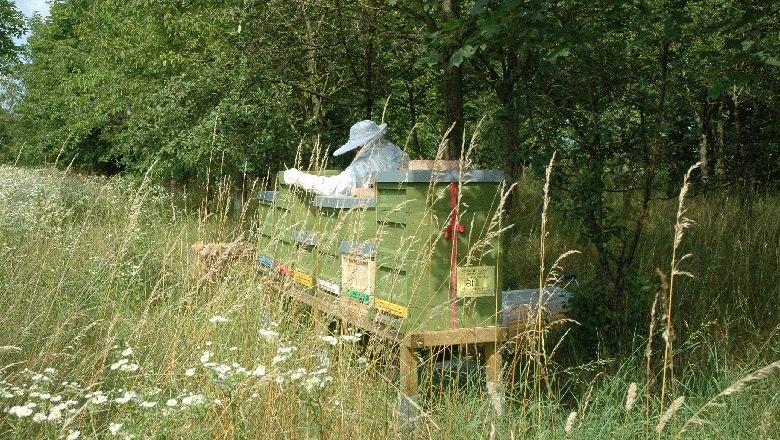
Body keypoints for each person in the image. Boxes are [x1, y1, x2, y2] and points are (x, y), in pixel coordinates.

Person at [283, 120, 406, 196]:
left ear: (360, 144)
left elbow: (332, 188)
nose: (353, 150)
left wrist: (297, 177)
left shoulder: (363, 167)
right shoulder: (400, 154)